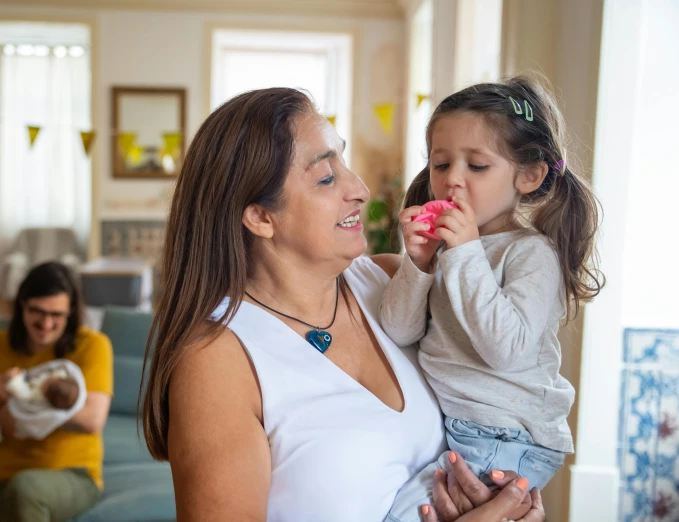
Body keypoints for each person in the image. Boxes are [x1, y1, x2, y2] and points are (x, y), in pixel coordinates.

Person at [140, 87, 546, 522]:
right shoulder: (216, 360)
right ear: (260, 217)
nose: (360, 189)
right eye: (325, 178)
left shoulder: (400, 281)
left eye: (343, 161)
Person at [380, 77, 604, 521]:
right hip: (464, 431)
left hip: (505, 438)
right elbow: (399, 331)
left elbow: (504, 350)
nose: (452, 182)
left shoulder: (533, 254)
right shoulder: (447, 252)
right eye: (441, 165)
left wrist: (463, 254)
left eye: (477, 166)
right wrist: (419, 264)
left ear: (530, 175)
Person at [0, 262, 113, 522]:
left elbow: (92, 421)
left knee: (25, 489)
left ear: (71, 312)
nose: (46, 323)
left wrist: (21, 413)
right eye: (37, 312)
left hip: (73, 473)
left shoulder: (93, 346)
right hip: (5, 474)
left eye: (57, 315)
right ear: (21, 305)